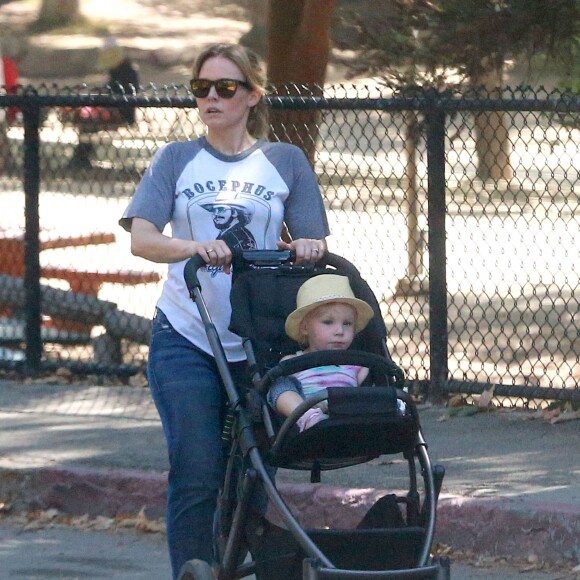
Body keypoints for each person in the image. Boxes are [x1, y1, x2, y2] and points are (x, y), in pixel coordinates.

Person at [119, 43, 329, 578]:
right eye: (201, 88)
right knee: (197, 469)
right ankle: (194, 570)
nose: (211, 98)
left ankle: (240, 565)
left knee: (255, 470)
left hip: (257, 340)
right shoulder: (176, 159)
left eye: (225, 88)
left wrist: (306, 246)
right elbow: (142, 238)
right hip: (187, 335)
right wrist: (193, 249)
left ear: (253, 95)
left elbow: (311, 238)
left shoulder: (284, 161)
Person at [267, 274, 375, 431]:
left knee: (375, 385)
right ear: (304, 328)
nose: (340, 331)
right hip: (309, 419)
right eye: (328, 322)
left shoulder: (356, 364)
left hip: (347, 418)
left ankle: (393, 406)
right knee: (278, 383)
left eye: (347, 323)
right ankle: (307, 416)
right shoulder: (293, 361)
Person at [69, 37, 140, 169]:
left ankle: (81, 157)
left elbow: (120, 93)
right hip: (112, 108)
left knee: (89, 124)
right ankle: (81, 157)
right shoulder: (118, 71)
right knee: (87, 121)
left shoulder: (127, 72)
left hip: (121, 112)